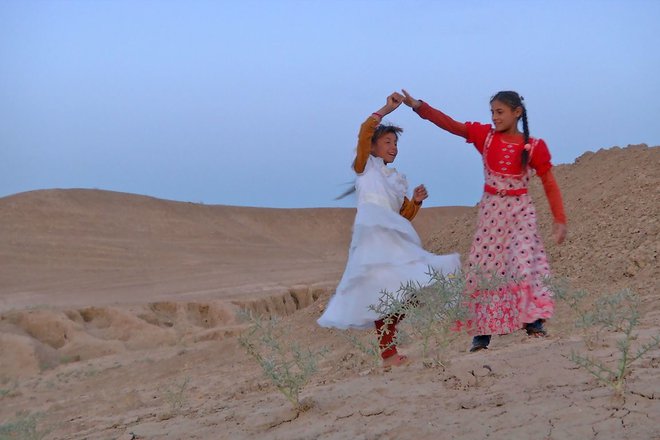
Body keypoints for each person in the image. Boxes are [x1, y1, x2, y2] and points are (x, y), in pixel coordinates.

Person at [401, 89, 567, 352]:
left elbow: (549, 181)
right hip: (492, 214)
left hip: (521, 212)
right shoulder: (485, 137)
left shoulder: (533, 146)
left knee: (523, 262)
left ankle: (533, 322)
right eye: (492, 112)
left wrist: (560, 219)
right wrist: (419, 106)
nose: (494, 117)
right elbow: (452, 125)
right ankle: (482, 335)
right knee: (486, 271)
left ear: (517, 113)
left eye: (500, 112)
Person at [317, 92, 461, 366]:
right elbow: (364, 131)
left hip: (393, 240)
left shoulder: (395, 181)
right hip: (373, 240)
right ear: (372, 148)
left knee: (404, 293)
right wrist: (386, 109)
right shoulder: (365, 169)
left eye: (395, 143)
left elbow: (402, 215)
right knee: (388, 295)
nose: (393, 147)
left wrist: (416, 202)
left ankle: (390, 347)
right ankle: (388, 353)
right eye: (387, 142)